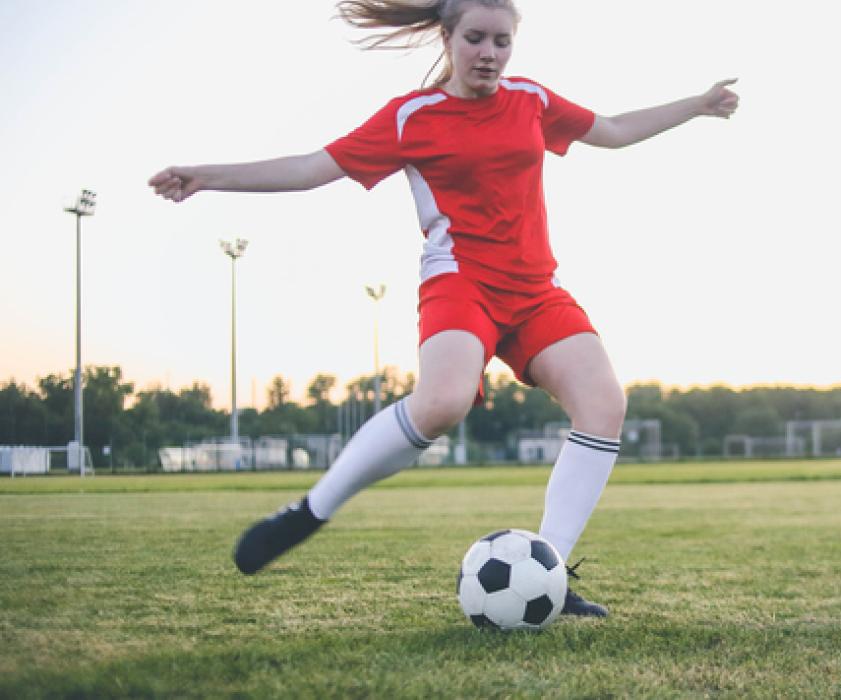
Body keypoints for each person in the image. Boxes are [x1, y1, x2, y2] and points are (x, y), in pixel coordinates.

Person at [148, 0, 738, 618]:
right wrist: (206, 176)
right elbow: (311, 167)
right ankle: (309, 511)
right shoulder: (411, 116)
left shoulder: (531, 100)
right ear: (449, 38)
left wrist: (696, 106)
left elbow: (612, 130)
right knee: (442, 403)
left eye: (502, 42)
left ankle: (551, 573)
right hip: (461, 281)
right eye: (476, 39)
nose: (489, 53)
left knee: (604, 404)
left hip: (537, 288)